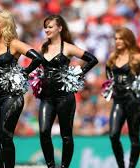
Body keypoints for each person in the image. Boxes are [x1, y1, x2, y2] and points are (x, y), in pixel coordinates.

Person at [0, 10, 43, 168]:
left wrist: (23, 73)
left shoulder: (14, 43)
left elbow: (37, 58)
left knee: (5, 134)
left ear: (6, 24)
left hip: (12, 95)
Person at [37, 15, 98, 168]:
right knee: (44, 132)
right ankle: (50, 166)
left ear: (60, 28)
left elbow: (92, 59)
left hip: (65, 97)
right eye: (45, 27)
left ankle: (64, 166)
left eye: (50, 26)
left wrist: (78, 74)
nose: (47, 29)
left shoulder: (68, 47)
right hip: (47, 97)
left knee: (66, 135)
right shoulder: (43, 47)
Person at [105, 27, 140, 168]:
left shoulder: (136, 57)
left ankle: (131, 166)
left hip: (133, 100)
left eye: (121, 38)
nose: (117, 41)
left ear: (128, 40)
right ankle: (121, 166)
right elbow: (108, 70)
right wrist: (110, 84)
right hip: (118, 100)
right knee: (113, 135)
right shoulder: (113, 57)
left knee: (134, 137)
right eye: (116, 38)